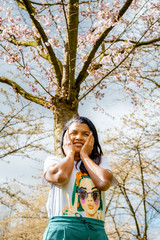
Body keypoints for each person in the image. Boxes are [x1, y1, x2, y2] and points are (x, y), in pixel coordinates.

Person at [42, 116, 117, 240]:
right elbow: (61, 177)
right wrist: (71, 153)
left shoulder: (101, 163)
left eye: (85, 134)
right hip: (62, 231)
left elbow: (103, 183)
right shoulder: (53, 161)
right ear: (65, 138)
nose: (79, 137)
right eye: (74, 133)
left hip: (95, 231)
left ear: (93, 139)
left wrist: (85, 156)